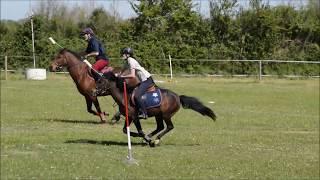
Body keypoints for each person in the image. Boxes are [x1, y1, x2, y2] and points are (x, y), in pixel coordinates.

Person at [118, 47, 155, 119]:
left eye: (123, 54)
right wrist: (118, 75)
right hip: (144, 80)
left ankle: (144, 113)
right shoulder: (128, 61)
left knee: (137, 96)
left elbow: (132, 75)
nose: (122, 55)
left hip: (147, 80)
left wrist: (122, 76)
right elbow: (123, 69)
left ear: (128, 55)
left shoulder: (131, 61)